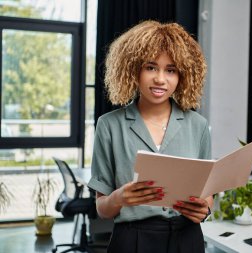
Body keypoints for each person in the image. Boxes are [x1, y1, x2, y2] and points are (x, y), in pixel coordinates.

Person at [88, 20, 213, 253]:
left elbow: (207, 195)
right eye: (151, 67)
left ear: (182, 75)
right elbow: (102, 208)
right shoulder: (109, 125)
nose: (160, 79)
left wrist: (203, 209)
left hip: (186, 240)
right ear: (133, 68)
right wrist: (119, 197)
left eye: (171, 70)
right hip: (131, 240)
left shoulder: (198, 125)